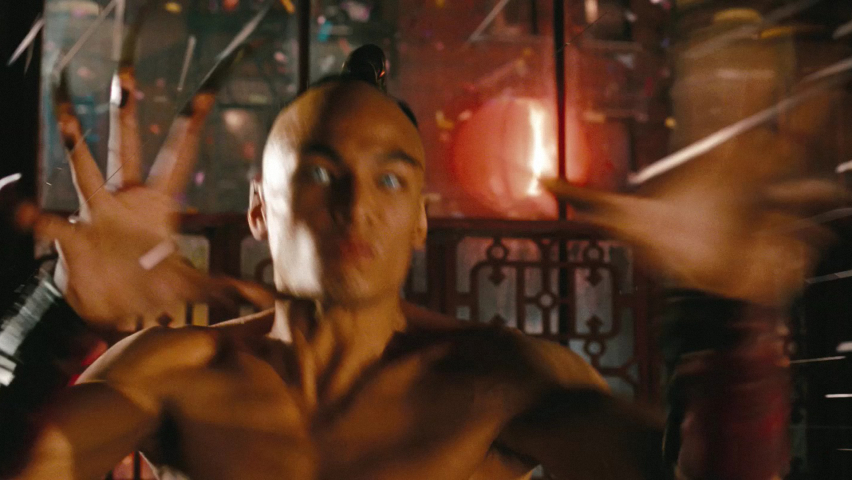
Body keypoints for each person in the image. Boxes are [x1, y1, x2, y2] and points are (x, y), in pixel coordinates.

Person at [0, 54, 667, 479]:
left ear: (420, 222)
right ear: (259, 209)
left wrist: (716, 318)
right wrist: (59, 312)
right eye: (319, 174)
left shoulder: (498, 380)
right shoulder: (176, 372)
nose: (357, 207)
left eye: (390, 181)